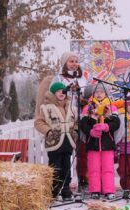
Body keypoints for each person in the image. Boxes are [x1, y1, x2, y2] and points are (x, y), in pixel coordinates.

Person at [35, 51, 89, 188]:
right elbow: (53, 96)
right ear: (65, 63)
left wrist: (84, 101)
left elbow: (88, 97)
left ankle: (83, 177)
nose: (74, 64)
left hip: (78, 116)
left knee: (82, 148)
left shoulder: (82, 79)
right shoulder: (59, 78)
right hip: (62, 116)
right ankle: (56, 187)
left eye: (76, 61)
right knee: (59, 158)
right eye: (71, 61)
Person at [34, 82, 77, 201]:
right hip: (54, 142)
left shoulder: (71, 107)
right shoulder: (46, 108)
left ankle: (66, 190)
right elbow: (38, 122)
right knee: (55, 168)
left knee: (66, 166)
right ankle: (54, 192)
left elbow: (76, 122)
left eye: (63, 90)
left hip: (68, 141)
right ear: (53, 93)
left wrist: (76, 132)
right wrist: (48, 131)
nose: (61, 93)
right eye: (58, 91)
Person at [80, 83, 120, 200]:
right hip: (93, 144)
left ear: (106, 93)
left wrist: (107, 126)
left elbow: (116, 123)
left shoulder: (112, 107)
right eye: (96, 92)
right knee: (94, 168)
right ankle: (95, 190)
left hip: (107, 144)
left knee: (108, 168)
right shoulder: (88, 108)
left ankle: (109, 190)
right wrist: (90, 131)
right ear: (93, 94)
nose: (99, 94)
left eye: (101, 92)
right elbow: (83, 125)